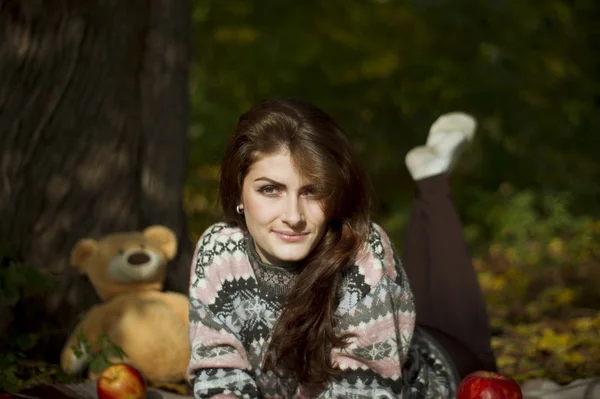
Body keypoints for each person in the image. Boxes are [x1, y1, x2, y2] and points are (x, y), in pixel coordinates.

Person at [186, 97, 497, 398]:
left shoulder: (364, 251)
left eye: (313, 191)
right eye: (270, 190)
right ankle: (430, 172)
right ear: (238, 192)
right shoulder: (218, 250)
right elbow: (219, 371)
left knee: (472, 341)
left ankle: (432, 180)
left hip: (437, 366)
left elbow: (362, 392)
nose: (293, 216)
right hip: (396, 321)